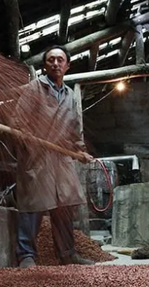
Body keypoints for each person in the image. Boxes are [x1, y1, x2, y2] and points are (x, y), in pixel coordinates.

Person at [12, 45, 95, 268]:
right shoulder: (34, 88)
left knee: (65, 206)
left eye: (60, 60)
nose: (56, 64)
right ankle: (26, 256)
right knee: (33, 206)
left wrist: (79, 149)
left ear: (67, 65)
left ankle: (67, 255)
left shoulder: (69, 95)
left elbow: (73, 128)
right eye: (51, 60)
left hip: (61, 159)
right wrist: (31, 142)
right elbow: (19, 122)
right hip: (37, 157)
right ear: (44, 65)